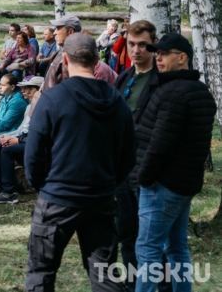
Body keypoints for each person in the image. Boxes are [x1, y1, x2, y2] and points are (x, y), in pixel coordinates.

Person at [24, 33, 135, 291]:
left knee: (41, 272)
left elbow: (34, 153)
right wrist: (108, 183)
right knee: (105, 274)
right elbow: (128, 156)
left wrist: (44, 186)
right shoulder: (118, 101)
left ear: (64, 59)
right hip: (101, 200)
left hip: (57, 199)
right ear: (97, 59)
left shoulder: (52, 98)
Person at [133, 33, 214, 292]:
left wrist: (143, 177)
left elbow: (160, 144)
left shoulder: (174, 93)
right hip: (183, 184)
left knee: (148, 249)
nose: (158, 58)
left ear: (182, 58)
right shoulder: (199, 91)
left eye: (164, 54)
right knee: (176, 248)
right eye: (156, 53)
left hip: (162, 185)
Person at [111, 20, 161, 290]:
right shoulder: (125, 77)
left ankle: (158, 285)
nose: (137, 49)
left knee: (151, 237)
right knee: (126, 232)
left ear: (154, 44)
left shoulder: (160, 81)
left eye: (143, 44)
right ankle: (131, 284)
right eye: (132, 44)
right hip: (122, 168)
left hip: (147, 168)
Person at [0, 75, 44, 204]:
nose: (24, 91)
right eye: (23, 88)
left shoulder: (44, 107)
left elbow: (42, 135)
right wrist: (11, 137)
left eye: (28, 88)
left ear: (39, 90)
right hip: (28, 140)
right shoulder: (30, 107)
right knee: (2, 146)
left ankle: (8, 193)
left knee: (7, 150)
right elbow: (24, 129)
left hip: (41, 146)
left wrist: (18, 140)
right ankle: (2, 186)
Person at [42, 15, 118, 92]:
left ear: (70, 32)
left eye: (58, 28)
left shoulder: (75, 58)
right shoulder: (61, 53)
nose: (54, 33)